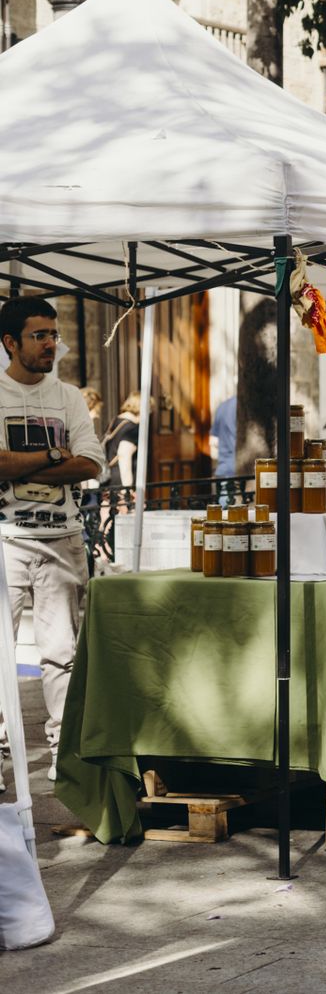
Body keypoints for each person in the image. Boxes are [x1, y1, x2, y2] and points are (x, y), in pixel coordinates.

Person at [0, 297, 106, 783]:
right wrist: (49, 452)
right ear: (10, 343)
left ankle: (64, 756)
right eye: (39, 335)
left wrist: (27, 461)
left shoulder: (68, 397)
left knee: (62, 653)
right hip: (7, 539)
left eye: (53, 334)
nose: (50, 343)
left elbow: (90, 464)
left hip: (62, 539)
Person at [100, 394, 142, 489]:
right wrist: (127, 489)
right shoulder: (132, 428)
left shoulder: (114, 421)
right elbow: (124, 455)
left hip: (108, 476)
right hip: (121, 480)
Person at [210, 395, 238, 480]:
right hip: (241, 471)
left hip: (224, 470)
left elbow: (213, 441)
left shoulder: (222, 406)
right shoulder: (245, 406)